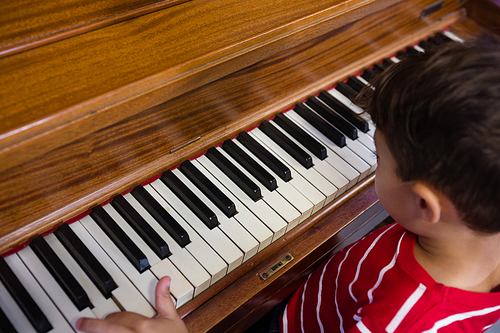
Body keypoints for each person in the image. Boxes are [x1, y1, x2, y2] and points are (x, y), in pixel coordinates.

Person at [77, 36, 500, 333]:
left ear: (426, 207)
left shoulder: (403, 323)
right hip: (331, 298)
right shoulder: (475, 225)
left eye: (379, 158)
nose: (374, 164)